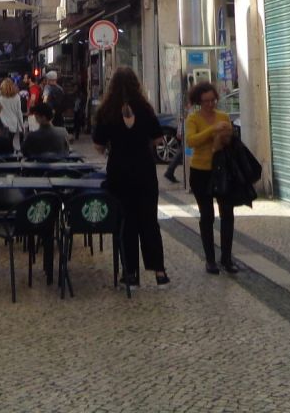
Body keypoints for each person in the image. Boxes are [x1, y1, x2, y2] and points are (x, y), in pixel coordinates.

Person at [92, 68, 169, 286]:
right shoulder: (145, 109)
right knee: (149, 221)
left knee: (125, 222)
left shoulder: (107, 110)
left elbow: (98, 145)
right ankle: (159, 272)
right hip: (144, 170)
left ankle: (130, 273)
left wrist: (113, 143)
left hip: (119, 171)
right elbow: (158, 139)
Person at [184, 81, 239, 275]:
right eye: (205, 101)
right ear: (199, 101)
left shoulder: (223, 116)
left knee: (227, 214)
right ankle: (210, 259)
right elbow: (191, 141)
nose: (210, 104)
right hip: (201, 172)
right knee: (207, 216)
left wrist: (227, 134)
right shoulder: (193, 119)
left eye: (212, 100)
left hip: (221, 171)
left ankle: (227, 257)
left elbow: (229, 141)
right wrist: (212, 130)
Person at [0, 77, 27, 149]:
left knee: (3, 143)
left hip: (3, 123)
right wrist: (21, 125)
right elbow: (19, 112)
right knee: (11, 142)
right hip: (13, 123)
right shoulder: (17, 96)